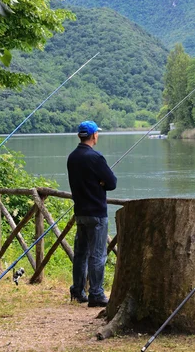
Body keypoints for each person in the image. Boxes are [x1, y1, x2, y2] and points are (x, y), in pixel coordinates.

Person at [67, 120, 117, 307]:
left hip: (80, 211)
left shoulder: (72, 157)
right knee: (97, 255)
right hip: (96, 213)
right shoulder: (96, 158)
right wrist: (101, 182)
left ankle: (78, 291)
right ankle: (96, 294)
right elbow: (111, 183)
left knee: (81, 253)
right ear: (94, 135)